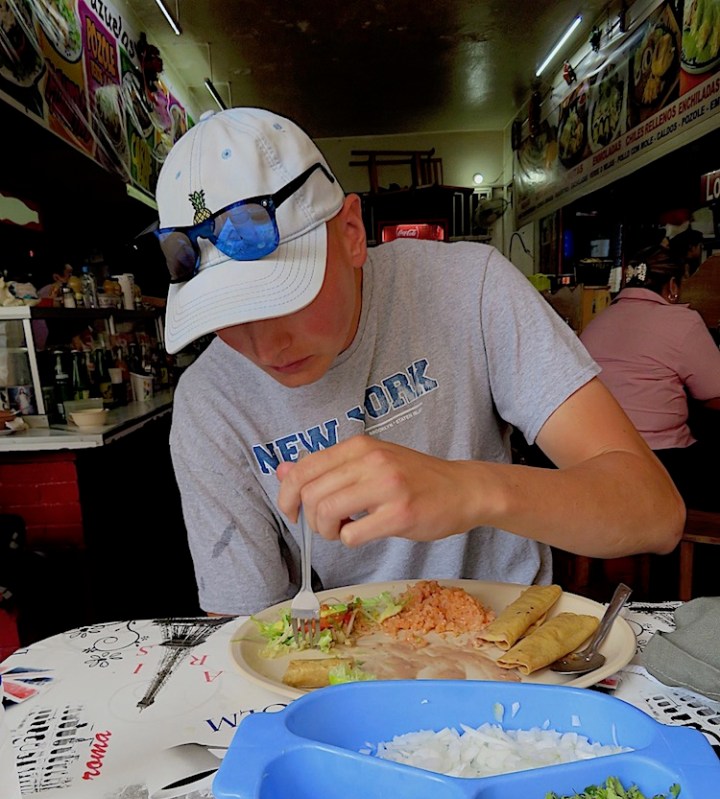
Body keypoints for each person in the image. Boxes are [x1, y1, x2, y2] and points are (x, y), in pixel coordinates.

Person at [154, 107, 684, 616]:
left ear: (351, 233)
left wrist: (469, 489)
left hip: (514, 641)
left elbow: (656, 513)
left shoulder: (469, 286)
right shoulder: (210, 402)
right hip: (357, 661)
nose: (265, 349)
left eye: (284, 296)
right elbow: (242, 630)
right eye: (223, 316)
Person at [581, 244, 720, 511]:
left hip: (597, 459)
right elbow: (714, 393)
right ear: (672, 286)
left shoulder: (598, 321)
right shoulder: (682, 321)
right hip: (661, 463)